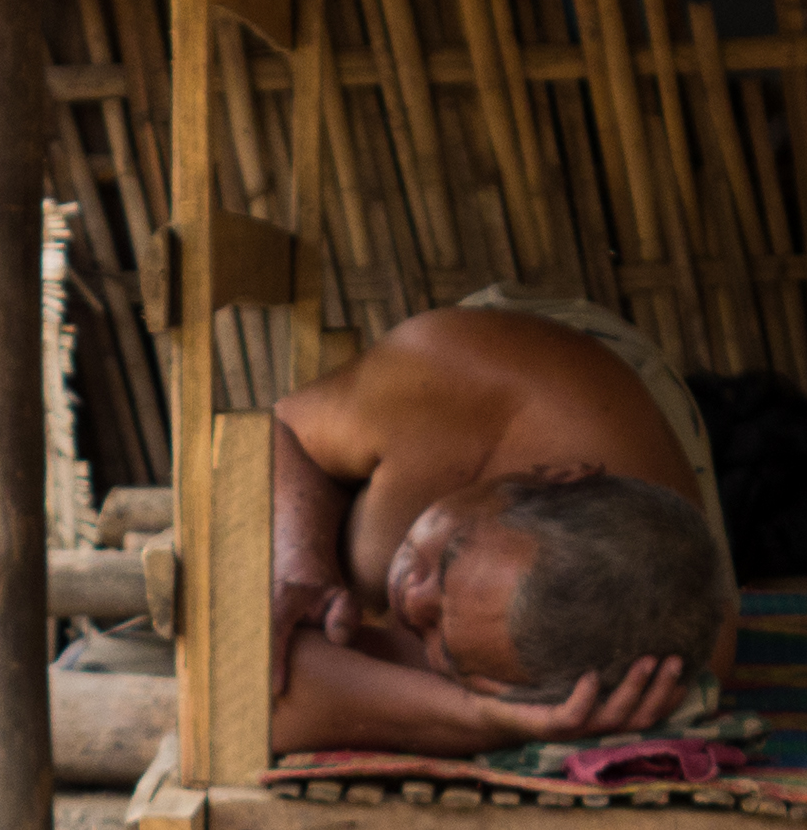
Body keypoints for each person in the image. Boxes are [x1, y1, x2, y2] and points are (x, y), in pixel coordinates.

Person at [266, 294, 739, 753]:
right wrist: (300, 561)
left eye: (447, 652)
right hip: (542, 350)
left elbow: (259, 691)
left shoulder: (640, 660)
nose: (410, 601)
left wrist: (485, 719)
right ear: (558, 476)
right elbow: (262, 434)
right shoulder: (456, 373)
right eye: (448, 555)